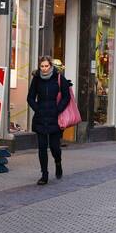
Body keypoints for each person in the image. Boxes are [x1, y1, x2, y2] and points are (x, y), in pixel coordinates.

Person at [27, 55, 72, 185]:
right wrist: (38, 108)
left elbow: (66, 96)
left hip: (54, 118)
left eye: (46, 66)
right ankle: (44, 175)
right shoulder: (36, 79)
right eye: (42, 66)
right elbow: (30, 97)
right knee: (42, 148)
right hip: (41, 118)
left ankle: (58, 162)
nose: (44, 69)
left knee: (54, 147)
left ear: (51, 66)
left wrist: (58, 109)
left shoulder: (58, 78)